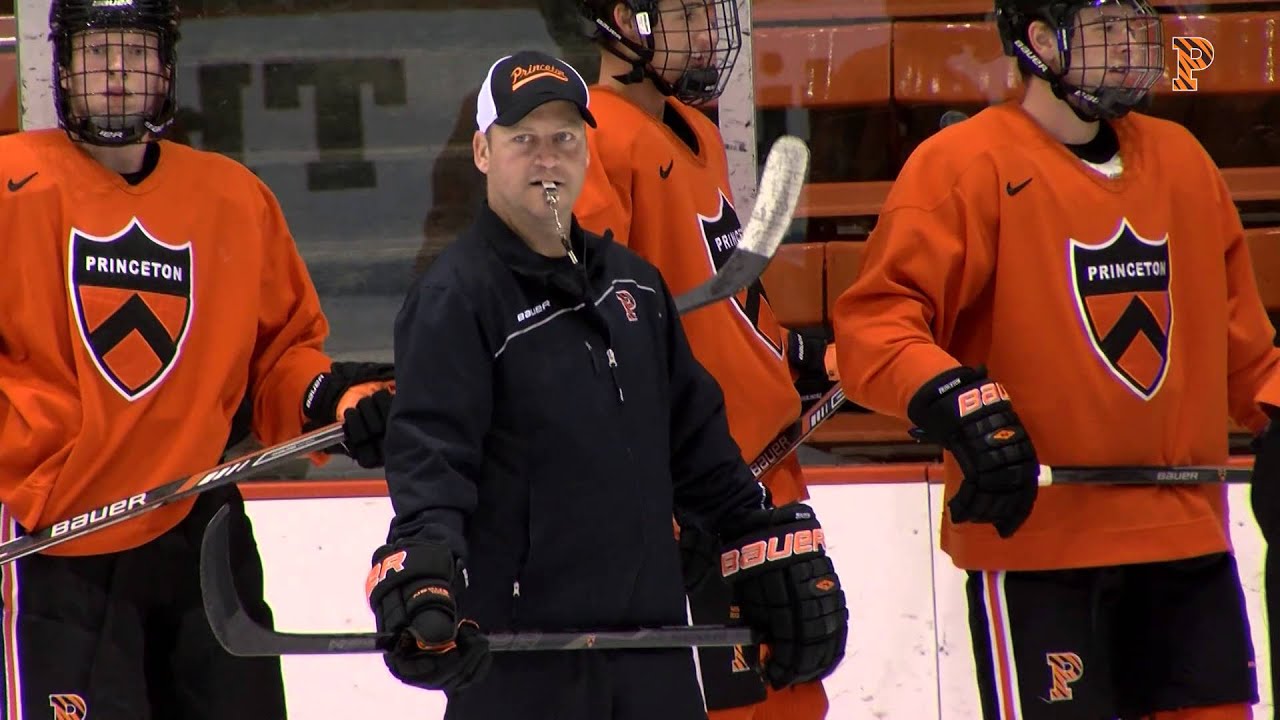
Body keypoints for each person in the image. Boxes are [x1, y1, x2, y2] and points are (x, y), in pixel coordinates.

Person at [369, 49, 847, 720]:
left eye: (564, 137)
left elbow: (700, 448)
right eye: (522, 139)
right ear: (482, 151)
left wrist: (757, 538)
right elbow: (432, 461)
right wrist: (422, 579)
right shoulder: (455, 299)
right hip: (522, 661)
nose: (547, 158)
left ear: (587, 150)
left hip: (652, 652)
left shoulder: (634, 285)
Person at [832, 1, 1277, 718]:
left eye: (1137, 26)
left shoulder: (1183, 161)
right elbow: (873, 328)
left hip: (1186, 537)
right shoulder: (964, 165)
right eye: (1108, 27)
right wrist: (952, 401)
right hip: (1041, 546)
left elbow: (1245, 354)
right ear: (1040, 40)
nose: (1131, 46)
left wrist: (1276, 409)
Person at [0, 0, 395, 717]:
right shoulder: (8, 183)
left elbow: (282, 356)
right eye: (96, 55)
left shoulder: (234, 198)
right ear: (60, 68)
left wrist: (330, 402)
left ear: (167, 68)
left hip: (201, 527)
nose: (116, 75)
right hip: (58, 545)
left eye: (136, 54)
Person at [570, 2, 836, 716]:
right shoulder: (591, 141)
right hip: (690, 507)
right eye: (686, 10)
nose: (707, 30)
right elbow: (590, 342)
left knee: (794, 699)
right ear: (625, 18)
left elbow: (722, 309)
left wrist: (803, 356)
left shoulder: (697, 135)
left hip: (764, 486)